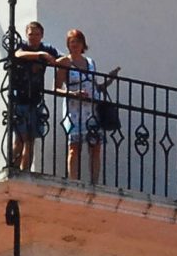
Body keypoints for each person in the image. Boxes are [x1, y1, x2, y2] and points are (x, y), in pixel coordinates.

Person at [60, 28, 120, 184]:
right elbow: (56, 88)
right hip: (74, 110)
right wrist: (73, 94)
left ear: (82, 44)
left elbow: (96, 87)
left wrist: (109, 80)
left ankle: (94, 182)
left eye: (77, 41)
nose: (74, 44)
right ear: (68, 44)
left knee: (95, 146)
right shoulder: (65, 62)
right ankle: (73, 181)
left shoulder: (91, 62)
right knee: (74, 147)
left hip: (92, 109)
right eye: (71, 42)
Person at [7, 21, 63, 171]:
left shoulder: (47, 48)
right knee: (19, 139)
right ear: (26, 35)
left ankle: (25, 171)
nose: (34, 37)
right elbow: (17, 54)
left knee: (30, 140)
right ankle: (12, 167)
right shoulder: (23, 46)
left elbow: (63, 60)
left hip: (36, 100)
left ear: (42, 35)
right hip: (19, 99)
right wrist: (40, 55)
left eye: (37, 34)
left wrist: (58, 63)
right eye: (31, 34)